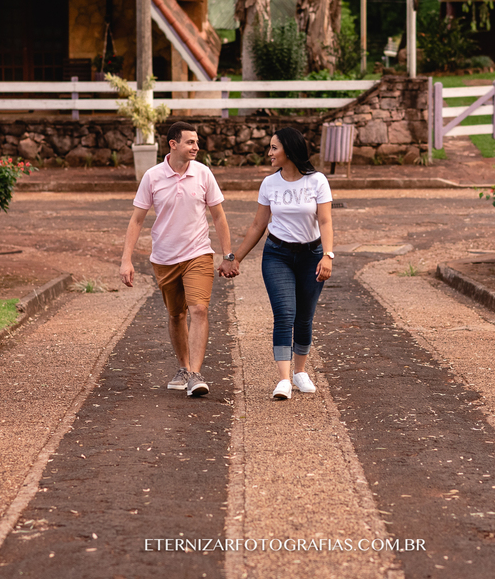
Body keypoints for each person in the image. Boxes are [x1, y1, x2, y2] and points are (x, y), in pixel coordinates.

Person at [120, 121, 236, 397]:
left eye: (196, 142)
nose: (196, 147)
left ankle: (195, 374)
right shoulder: (152, 176)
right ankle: (183, 368)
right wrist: (126, 260)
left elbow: (218, 216)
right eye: (190, 142)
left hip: (198, 253)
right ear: (173, 144)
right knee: (176, 314)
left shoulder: (204, 174)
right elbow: (137, 219)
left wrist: (228, 255)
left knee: (199, 310)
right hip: (164, 258)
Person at [225, 127, 334, 400]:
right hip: (278, 255)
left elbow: (325, 221)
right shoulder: (269, 184)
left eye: (274, 148)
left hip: (312, 255)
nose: (269, 153)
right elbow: (258, 225)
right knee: (285, 314)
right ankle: (284, 379)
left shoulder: (317, 181)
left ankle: (300, 372)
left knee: (304, 317)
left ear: (289, 149)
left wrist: (328, 255)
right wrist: (235, 258)